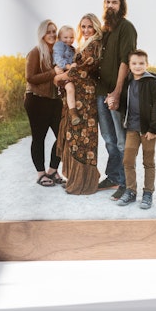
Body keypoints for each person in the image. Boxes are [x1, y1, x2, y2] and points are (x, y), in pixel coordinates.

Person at [53, 14, 103, 195]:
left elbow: (82, 70)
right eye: (83, 26)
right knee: (75, 137)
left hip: (86, 98)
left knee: (83, 139)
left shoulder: (95, 45)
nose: (86, 30)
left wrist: (59, 78)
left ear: (96, 27)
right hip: (77, 95)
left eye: (89, 26)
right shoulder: (84, 45)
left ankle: (84, 183)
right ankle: (75, 178)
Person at [95, 0, 137, 197]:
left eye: (114, 2)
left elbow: (125, 62)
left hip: (116, 91)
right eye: (107, 2)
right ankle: (113, 176)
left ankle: (128, 185)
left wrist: (117, 93)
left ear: (121, 6)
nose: (109, 6)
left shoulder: (126, 28)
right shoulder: (104, 30)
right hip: (101, 92)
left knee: (122, 141)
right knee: (109, 138)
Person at [115, 50, 156, 209]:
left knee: (148, 162)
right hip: (132, 129)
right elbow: (124, 104)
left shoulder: (151, 82)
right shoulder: (127, 81)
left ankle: (148, 193)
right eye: (134, 63)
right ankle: (130, 191)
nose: (137, 66)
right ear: (129, 65)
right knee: (128, 160)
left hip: (148, 130)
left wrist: (153, 128)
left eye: (141, 63)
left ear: (146, 65)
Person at [23, 19, 64, 187]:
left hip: (55, 101)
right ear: (42, 34)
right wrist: (52, 72)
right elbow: (30, 78)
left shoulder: (58, 53)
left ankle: (53, 171)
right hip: (36, 100)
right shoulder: (35, 52)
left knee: (63, 136)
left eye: (54, 31)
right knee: (39, 137)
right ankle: (41, 174)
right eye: (49, 32)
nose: (52, 34)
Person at [53, 25, 81, 125]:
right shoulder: (59, 45)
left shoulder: (72, 48)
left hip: (68, 73)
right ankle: (73, 113)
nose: (69, 40)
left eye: (71, 37)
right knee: (70, 89)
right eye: (66, 37)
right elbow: (58, 59)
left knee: (73, 89)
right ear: (60, 38)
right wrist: (69, 66)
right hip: (63, 72)